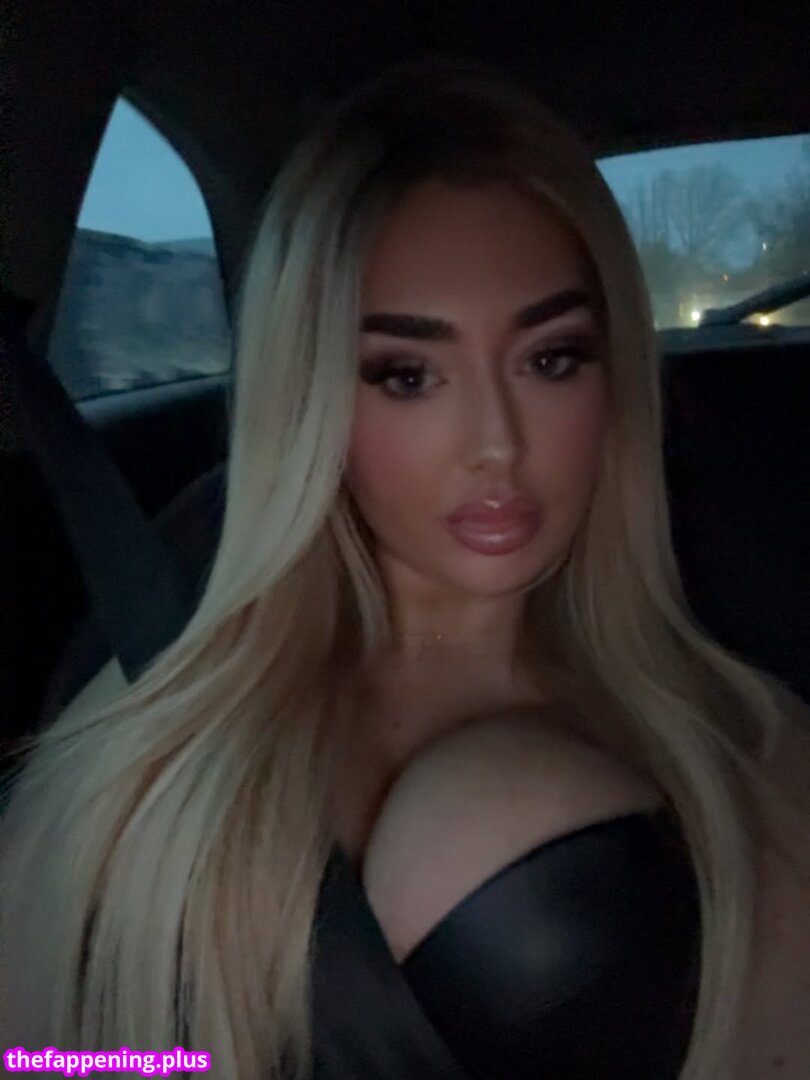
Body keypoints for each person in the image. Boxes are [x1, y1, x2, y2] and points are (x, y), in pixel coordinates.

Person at [2, 58, 809, 1080]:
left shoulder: (737, 738)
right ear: (312, 398)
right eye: (407, 374)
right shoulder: (156, 749)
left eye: (551, 359)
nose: (496, 444)